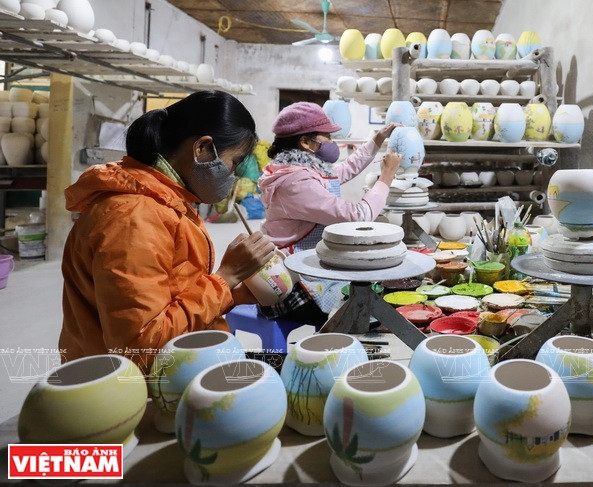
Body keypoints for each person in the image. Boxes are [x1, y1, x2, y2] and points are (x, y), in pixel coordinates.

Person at [60, 90, 276, 372]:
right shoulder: (134, 217)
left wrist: (232, 293)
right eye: (233, 162)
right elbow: (141, 347)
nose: (231, 176)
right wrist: (225, 277)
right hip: (133, 390)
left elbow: (170, 295)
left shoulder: (167, 200)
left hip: (175, 369)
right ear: (202, 148)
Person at [257, 102, 401, 325]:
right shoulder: (295, 183)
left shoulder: (299, 168)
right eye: (327, 137)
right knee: (365, 303)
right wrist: (386, 177)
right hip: (292, 287)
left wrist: (377, 140)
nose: (332, 143)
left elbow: (343, 170)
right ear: (305, 142)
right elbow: (358, 215)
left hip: (304, 266)